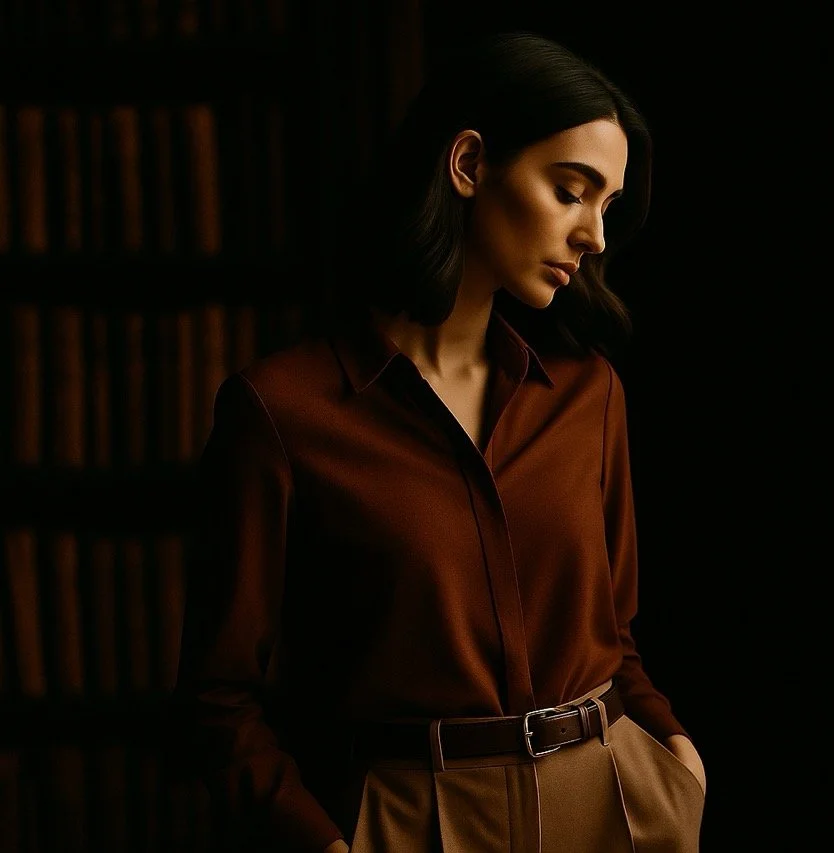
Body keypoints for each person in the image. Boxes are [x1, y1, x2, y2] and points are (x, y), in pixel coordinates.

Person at [170, 29, 706, 853]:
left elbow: (616, 629)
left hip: (613, 805)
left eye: (608, 206)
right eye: (572, 191)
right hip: (411, 819)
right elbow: (219, 697)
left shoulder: (588, 395)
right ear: (468, 164)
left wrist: (674, 756)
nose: (595, 236)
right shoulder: (283, 413)